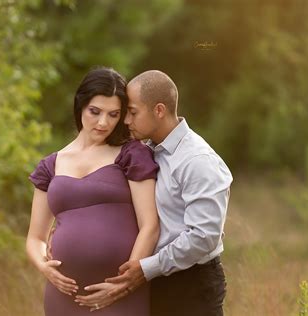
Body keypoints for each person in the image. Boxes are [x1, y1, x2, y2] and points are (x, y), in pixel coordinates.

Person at [74, 70, 233, 316]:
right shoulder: (144, 151)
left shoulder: (197, 160)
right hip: (153, 281)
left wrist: (147, 268)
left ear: (159, 110)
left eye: (133, 112)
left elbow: (204, 236)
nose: (126, 120)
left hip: (190, 285)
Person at [25, 67, 160, 316]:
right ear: (80, 106)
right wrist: (45, 268)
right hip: (64, 296)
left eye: (113, 114)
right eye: (95, 112)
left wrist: (125, 285)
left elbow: (150, 225)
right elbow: (36, 238)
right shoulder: (50, 165)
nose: (103, 123)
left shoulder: (131, 154)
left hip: (119, 294)